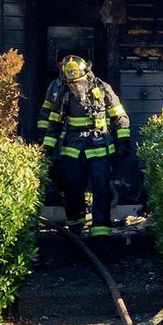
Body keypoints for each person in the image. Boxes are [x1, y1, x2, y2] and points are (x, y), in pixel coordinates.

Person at [37, 55, 131, 236]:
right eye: (71, 82)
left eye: (77, 81)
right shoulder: (62, 92)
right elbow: (54, 122)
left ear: (86, 74)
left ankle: (101, 233)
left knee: (101, 190)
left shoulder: (102, 88)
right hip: (73, 150)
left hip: (100, 149)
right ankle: (75, 225)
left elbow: (119, 116)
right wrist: (47, 147)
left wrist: (123, 141)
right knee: (72, 189)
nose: (75, 86)